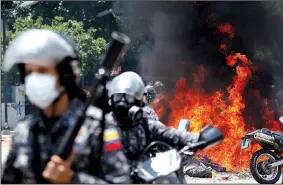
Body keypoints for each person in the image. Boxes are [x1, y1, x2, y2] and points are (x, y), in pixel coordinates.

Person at [1, 29, 131, 184]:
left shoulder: (97, 127)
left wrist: (73, 179)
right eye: (29, 72)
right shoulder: (24, 130)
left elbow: (122, 181)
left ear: (65, 75)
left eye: (43, 70)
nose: (34, 79)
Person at [106, 71, 199, 167]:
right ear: (111, 100)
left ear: (139, 102)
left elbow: (169, 134)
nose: (122, 102)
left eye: (129, 98)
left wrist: (199, 139)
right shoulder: (101, 126)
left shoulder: (145, 125)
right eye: (118, 97)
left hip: (141, 178)